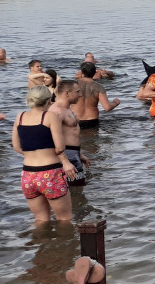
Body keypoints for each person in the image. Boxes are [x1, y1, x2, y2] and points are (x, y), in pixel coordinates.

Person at [11, 85, 78, 221]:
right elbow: (59, 147)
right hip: (50, 173)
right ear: (48, 100)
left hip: (28, 174)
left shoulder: (20, 116)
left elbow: (16, 146)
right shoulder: (49, 116)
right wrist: (63, 161)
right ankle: (66, 242)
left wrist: (33, 153)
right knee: (64, 218)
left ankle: (41, 241)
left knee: (41, 219)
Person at [49, 80, 88, 187]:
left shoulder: (67, 108)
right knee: (69, 190)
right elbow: (50, 139)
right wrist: (65, 162)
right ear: (67, 93)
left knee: (79, 187)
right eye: (77, 92)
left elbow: (72, 132)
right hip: (65, 155)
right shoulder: (56, 112)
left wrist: (79, 154)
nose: (80, 95)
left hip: (74, 154)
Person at [73, 61, 121, 129]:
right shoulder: (99, 87)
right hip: (92, 120)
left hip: (75, 119)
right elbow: (107, 107)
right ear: (94, 73)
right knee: (93, 139)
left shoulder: (73, 86)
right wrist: (116, 102)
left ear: (82, 72)